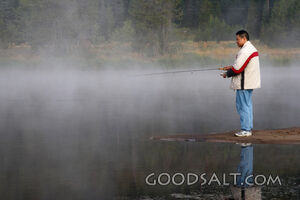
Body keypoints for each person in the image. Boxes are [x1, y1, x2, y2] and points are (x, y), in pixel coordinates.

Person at [220, 30, 261, 137]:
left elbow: (238, 69)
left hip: (244, 83)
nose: (236, 42)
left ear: (244, 39)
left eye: (237, 39)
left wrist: (226, 74)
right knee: (247, 105)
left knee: (242, 106)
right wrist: (230, 67)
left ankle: (246, 130)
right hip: (248, 83)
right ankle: (248, 128)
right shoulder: (250, 48)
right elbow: (242, 66)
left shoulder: (245, 50)